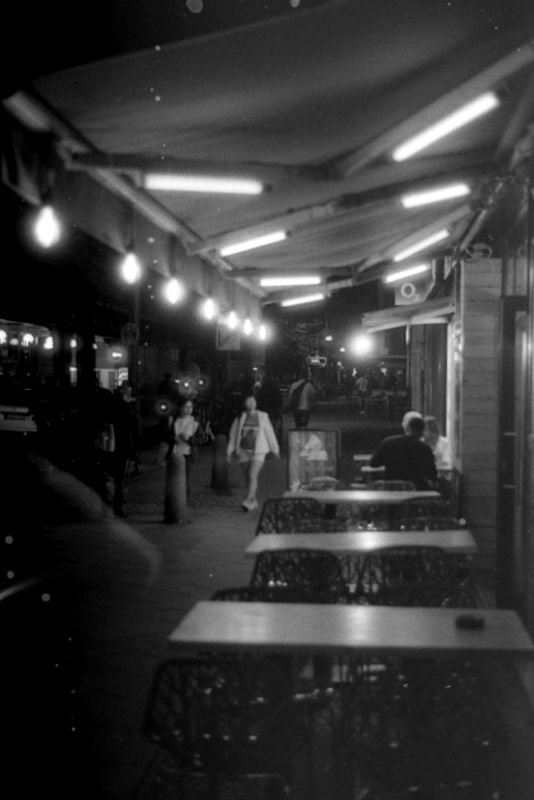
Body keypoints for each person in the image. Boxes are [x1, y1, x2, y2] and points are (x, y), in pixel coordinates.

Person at [226, 394, 280, 511]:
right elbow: (233, 435)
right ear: (244, 403)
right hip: (243, 451)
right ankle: (253, 501)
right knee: (248, 477)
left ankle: (248, 499)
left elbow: (269, 433)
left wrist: (275, 449)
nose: (251, 403)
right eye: (248, 401)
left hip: (258, 451)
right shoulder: (240, 417)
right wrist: (229, 450)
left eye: (253, 401)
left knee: (252, 475)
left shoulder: (263, 416)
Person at [369, 414, 437, 490]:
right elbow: (432, 474)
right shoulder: (424, 448)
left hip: (391, 488)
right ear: (422, 432)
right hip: (416, 488)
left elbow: (373, 463)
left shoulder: (388, 442)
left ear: (407, 428)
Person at [163, 397, 199, 524]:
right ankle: (172, 509)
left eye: (190, 407)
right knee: (172, 482)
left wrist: (188, 439)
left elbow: (198, 439)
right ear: (180, 408)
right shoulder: (173, 420)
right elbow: (166, 435)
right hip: (174, 453)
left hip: (187, 453)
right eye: (186, 407)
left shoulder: (194, 421)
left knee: (186, 482)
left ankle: (183, 508)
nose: (188, 409)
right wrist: (174, 438)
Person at [111, 380, 142, 517]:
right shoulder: (124, 407)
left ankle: (118, 504)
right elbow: (131, 424)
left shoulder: (122, 406)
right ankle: (118, 505)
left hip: (123, 444)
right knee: (121, 477)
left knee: (121, 477)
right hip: (122, 444)